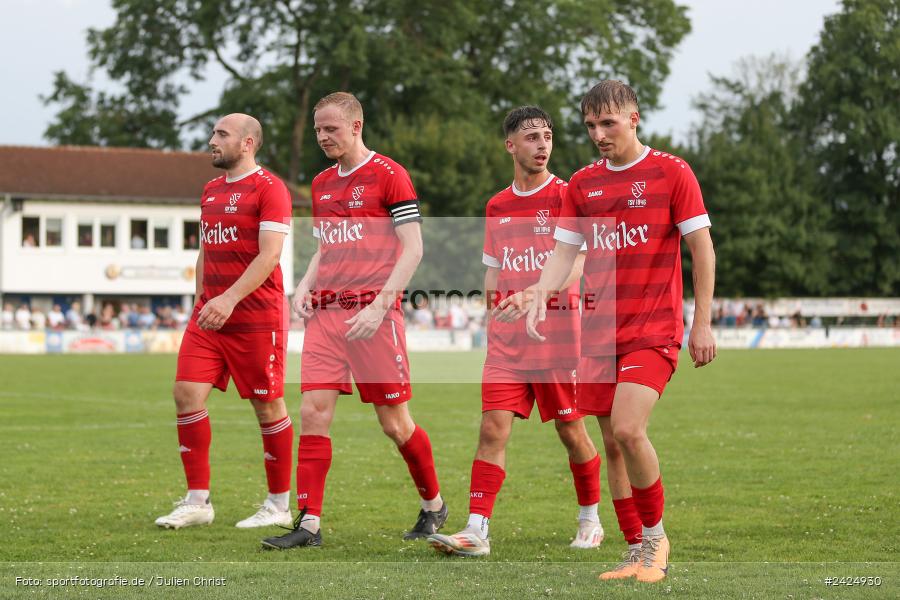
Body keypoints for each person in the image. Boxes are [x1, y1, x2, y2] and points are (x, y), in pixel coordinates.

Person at [523, 81, 716, 583]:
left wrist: (703, 323)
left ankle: (656, 541)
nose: (598, 134)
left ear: (634, 118)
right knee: (612, 443)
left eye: (607, 123)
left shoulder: (672, 172)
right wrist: (539, 296)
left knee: (629, 428)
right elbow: (564, 253)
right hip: (600, 333)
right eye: (590, 126)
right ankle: (635, 549)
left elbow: (702, 249)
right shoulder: (583, 184)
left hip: (653, 328)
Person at [262, 92, 445, 549]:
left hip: (374, 317)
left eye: (332, 129)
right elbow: (328, 245)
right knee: (312, 412)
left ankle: (434, 504)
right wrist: (304, 284)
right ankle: (309, 524)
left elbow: (413, 247)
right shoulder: (322, 183)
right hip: (326, 315)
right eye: (319, 130)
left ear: (357, 126)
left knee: (395, 424)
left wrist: (381, 305)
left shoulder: (389, 175)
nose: (323, 137)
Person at [426, 106, 603, 558]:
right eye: (531, 137)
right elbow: (492, 272)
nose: (542, 144)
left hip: (557, 337)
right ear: (510, 145)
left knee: (571, 431)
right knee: (492, 430)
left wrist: (533, 297)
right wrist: (493, 312)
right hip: (507, 344)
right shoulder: (497, 206)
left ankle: (590, 517)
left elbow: (579, 263)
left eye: (547, 136)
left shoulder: (569, 195)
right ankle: (476, 529)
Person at [154, 113, 295, 531]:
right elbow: (205, 250)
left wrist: (230, 298)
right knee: (185, 393)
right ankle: (198, 501)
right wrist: (200, 302)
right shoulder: (211, 189)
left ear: (248, 143)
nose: (211, 141)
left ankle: (279, 504)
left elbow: (269, 255)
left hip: (255, 317)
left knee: (267, 405)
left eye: (221, 134)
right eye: (213, 133)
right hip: (210, 316)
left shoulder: (271, 189)